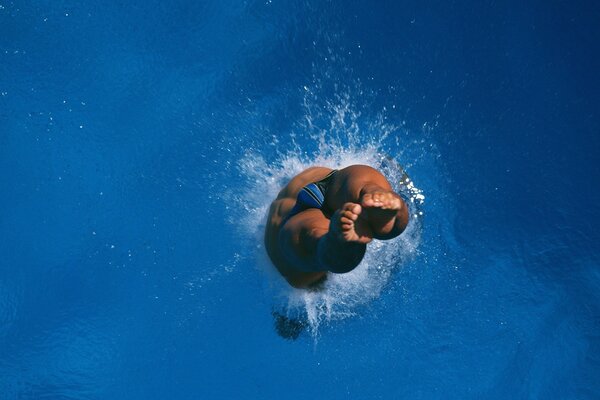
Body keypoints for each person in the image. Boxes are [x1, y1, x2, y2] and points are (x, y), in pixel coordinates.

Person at [264, 165, 409, 288]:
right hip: (323, 182)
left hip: (288, 239)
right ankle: (374, 194)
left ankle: (339, 240)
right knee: (357, 184)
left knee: (312, 237)